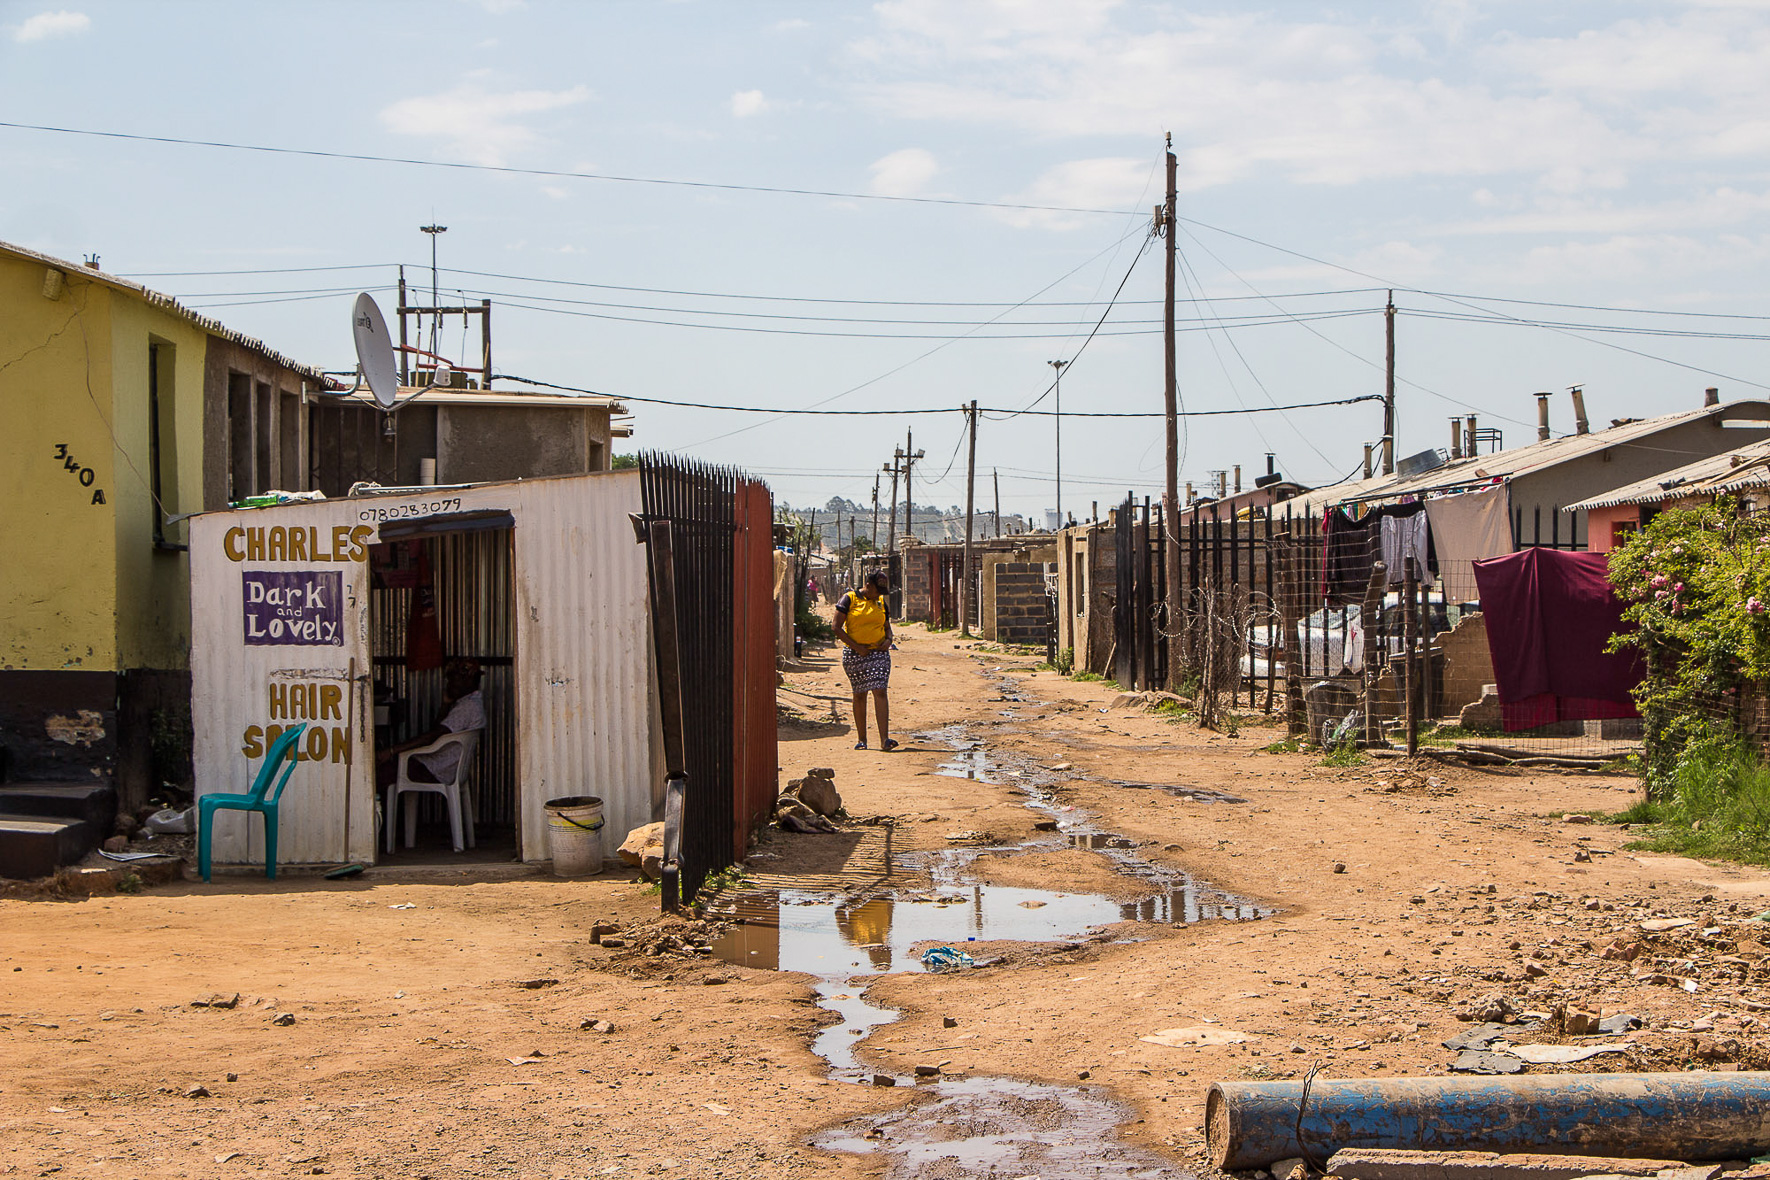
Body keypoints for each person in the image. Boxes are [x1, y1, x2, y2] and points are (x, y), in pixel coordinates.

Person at [377, 659, 485, 787]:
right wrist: (445, 704)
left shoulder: (467, 707)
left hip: (436, 770)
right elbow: (438, 729)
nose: (448, 685)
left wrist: (391, 751)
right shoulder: (471, 703)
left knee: (378, 773)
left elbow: (431, 737)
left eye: (452, 680)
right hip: (443, 768)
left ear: (468, 681)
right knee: (389, 768)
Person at [835, 571, 897, 751]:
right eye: (876, 590)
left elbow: (887, 628)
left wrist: (889, 640)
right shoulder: (849, 599)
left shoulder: (880, 603)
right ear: (868, 585)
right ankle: (862, 739)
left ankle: (884, 739)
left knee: (880, 690)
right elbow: (836, 627)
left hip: (878, 653)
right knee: (860, 694)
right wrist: (856, 647)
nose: (878, 594)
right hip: (855, 655)